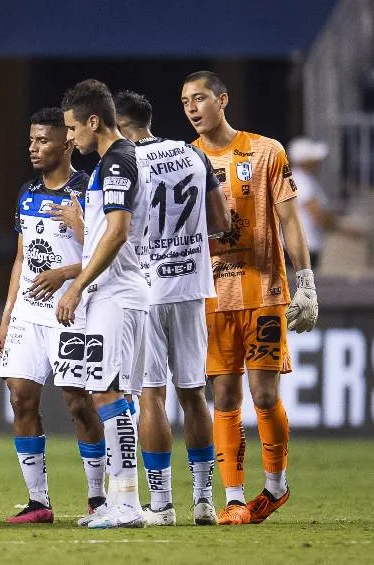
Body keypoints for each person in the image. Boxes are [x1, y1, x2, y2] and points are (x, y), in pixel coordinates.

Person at [182, 71, 319, 525]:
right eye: (185, 103)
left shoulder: (266, 151)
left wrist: (306, 281)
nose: (193, 109)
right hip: (211, 294)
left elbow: (290, 221)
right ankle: (235, 497)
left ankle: (275, 486)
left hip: (265, 292)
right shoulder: (184, 160)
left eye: (200, 99)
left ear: (223, 99)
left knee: (263, 394)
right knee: (222, 394)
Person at [115, 90, 230, 526]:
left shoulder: (125, 162)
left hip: (144, 290)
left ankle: (162, 504)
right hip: (190, 287)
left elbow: (115, 230)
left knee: (151, 396)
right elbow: (220, 223)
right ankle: (204, 499)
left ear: (119, 125)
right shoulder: (190, 155)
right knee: (194, 393)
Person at [0, 107, 106, 524]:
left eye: (43, 140)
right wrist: (6, 318)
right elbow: (22, 257)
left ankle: (97, 497)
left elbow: (105, 252)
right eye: (31, 140)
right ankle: (38, 502)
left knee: (79, 402)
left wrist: (64, 271)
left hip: (70, 312)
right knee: (21, 397)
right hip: (27, 313)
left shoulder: (87, 189)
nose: (34, 148)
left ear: (68, 142)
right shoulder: (27, 191)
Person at [56, 79, 149, 529]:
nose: (69, 138)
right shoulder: (110, 164)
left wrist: (77, 286)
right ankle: (120, 498)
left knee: (109, 394)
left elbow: (117, 232)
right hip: (113, 294)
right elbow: (101, 233)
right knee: (112, 396)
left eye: (73, 127)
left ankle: (128, 503)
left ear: (95, 121)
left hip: (118, 295)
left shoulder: (116, 162)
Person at [286, 137, 365, 270]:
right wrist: (346, 231)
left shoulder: (301, 179)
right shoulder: (301, 181)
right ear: (305, 161)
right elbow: (317, 214)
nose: (319, 162)